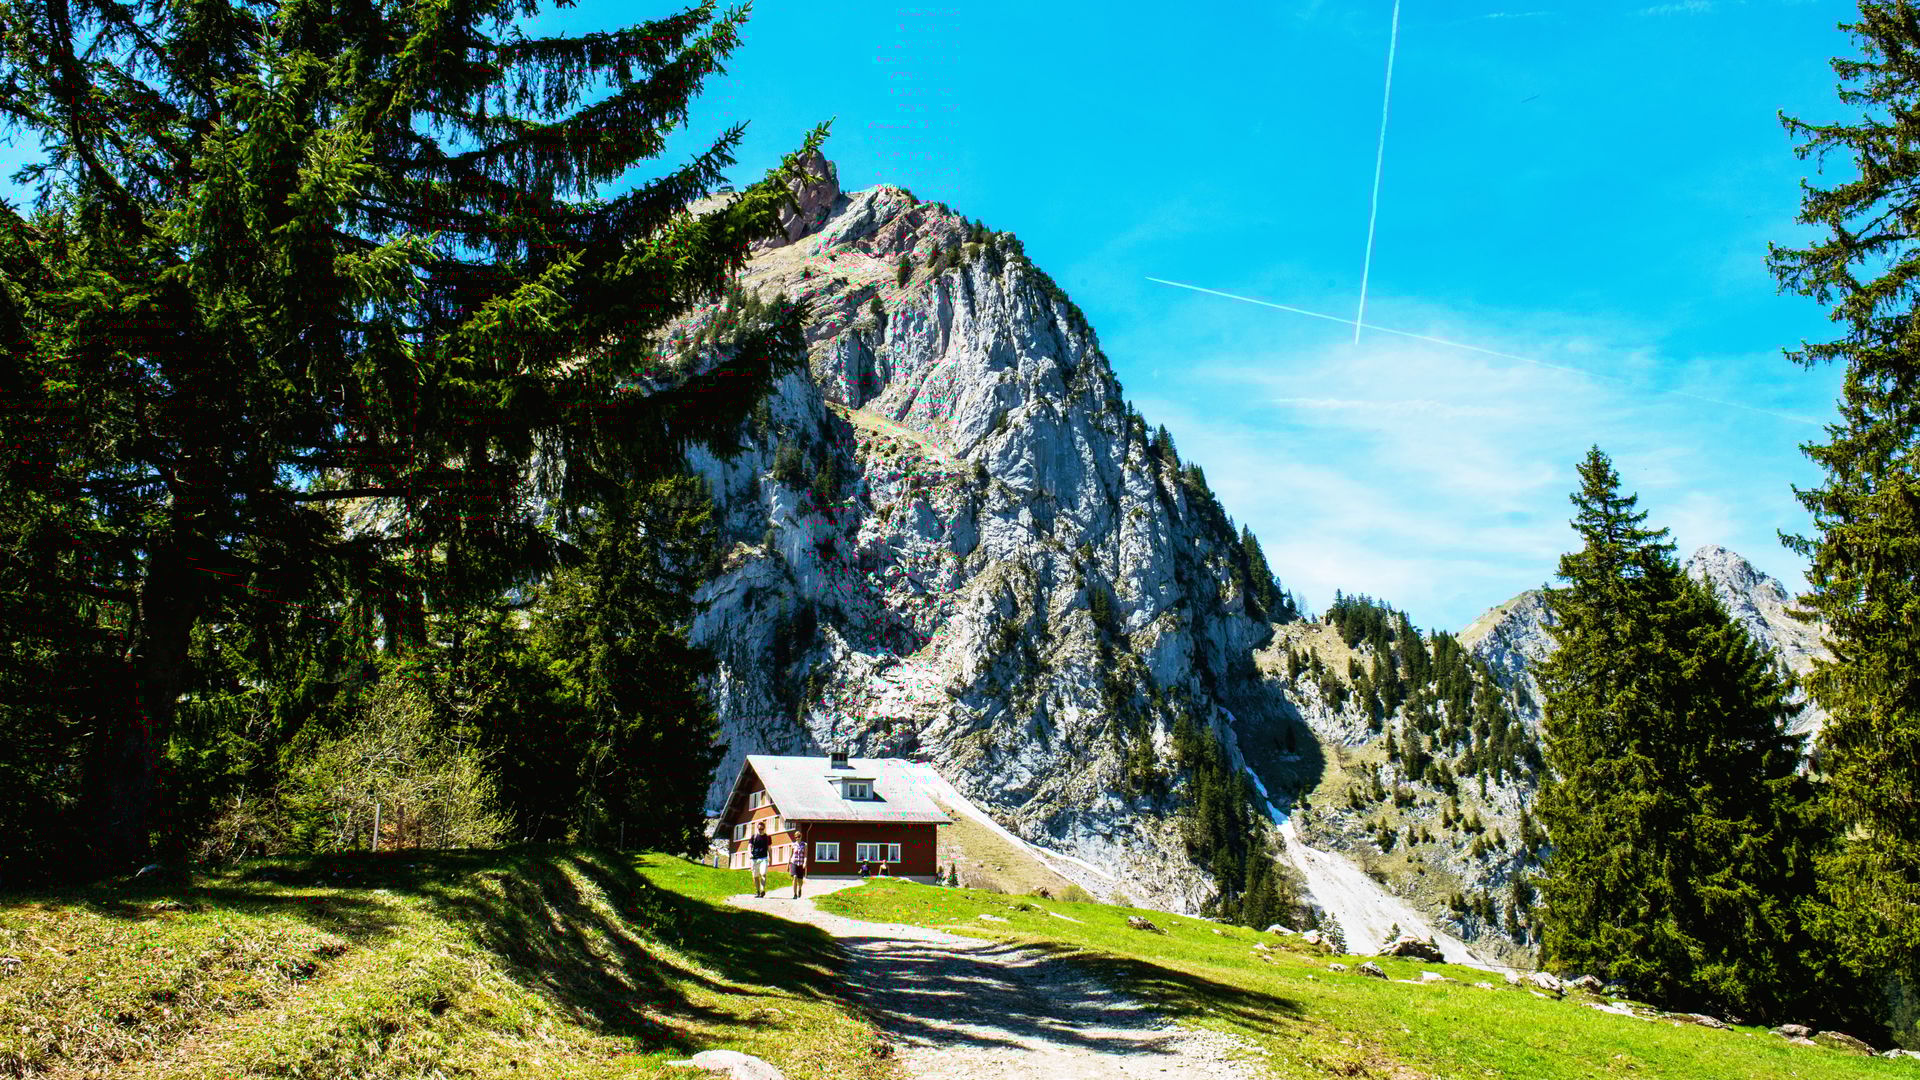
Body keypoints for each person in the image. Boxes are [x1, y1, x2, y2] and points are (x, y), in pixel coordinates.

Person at [749, 821, 771, 898]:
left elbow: (769, 848)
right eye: (759, 829)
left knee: (763, 873)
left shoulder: (767, 837)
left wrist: (770, 857)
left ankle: (762, 889)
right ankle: (758, 891)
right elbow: (749, 846)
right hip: (755, 858)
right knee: (755, 876)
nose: (760, 830)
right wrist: (750, 854)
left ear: (764, 828)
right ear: (757, 828)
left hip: (764, 858)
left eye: (762, 829)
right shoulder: (754, 836)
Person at [788, 826, 809, 899]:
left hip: (801, 863)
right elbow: (791, 855)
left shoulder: (804, 845)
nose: (798, 838)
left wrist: (805, 863)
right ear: (795, 837)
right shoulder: (793, 845)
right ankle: (794, 894)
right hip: (794, 862)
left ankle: (799, 889)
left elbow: (805, 855)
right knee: (795, 877)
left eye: (799, 836)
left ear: (801, 837)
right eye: (796, 837)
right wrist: (788, 864)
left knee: (800, 880)